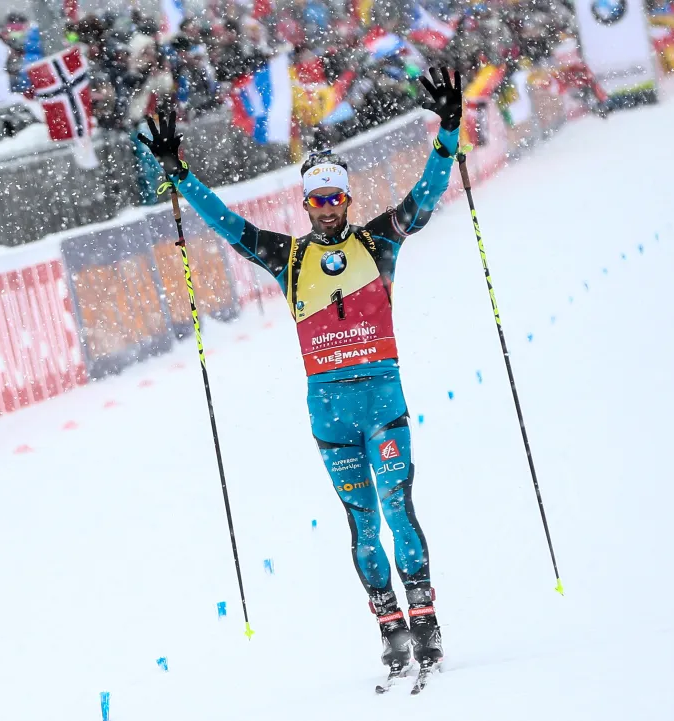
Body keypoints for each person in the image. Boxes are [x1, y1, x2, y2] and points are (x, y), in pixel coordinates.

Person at [138, 67, 463, 681]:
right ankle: (389, 626)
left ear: (348, 199)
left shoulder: (380, 242)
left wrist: (448, 129)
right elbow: (225, 224)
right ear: (305, 204)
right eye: (316, 200)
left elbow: (427, 193)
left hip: (382, 398)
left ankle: (425, 618)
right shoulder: (286, 257)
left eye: (335, 198)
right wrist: (179, 174)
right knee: (364, 522)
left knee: (398, 508)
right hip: (330, 413)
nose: (326, 209)